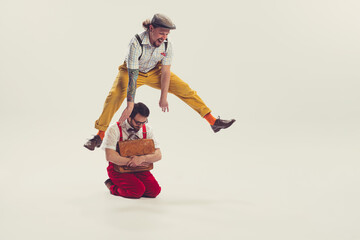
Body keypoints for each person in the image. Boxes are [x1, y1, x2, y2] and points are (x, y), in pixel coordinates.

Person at [84, 13, 235, 151]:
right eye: (161, 33)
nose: (164, 37)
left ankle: (212, 121)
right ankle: (100, 135)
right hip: (131, 72)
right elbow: (133, 74)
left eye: (167, 34)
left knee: (185, 89)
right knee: (115, 95)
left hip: (155, 72)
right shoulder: (136, 43)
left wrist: (163, 97)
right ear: (151, 28)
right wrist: (130, 105)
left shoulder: (167, 45)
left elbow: (165, 72)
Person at [103, 102, 162, 199]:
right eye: (138, 122)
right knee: (137, 191)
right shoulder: (114, 129)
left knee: (154, 191)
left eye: (144, 122)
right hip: (118, 169)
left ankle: (132, 185)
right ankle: (112, 186)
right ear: (129, 117)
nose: (140, 125)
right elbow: (110, 156)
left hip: (140, 168)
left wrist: (142, 159)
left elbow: (158, 154)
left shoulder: (147, 129)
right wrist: (132, 162)